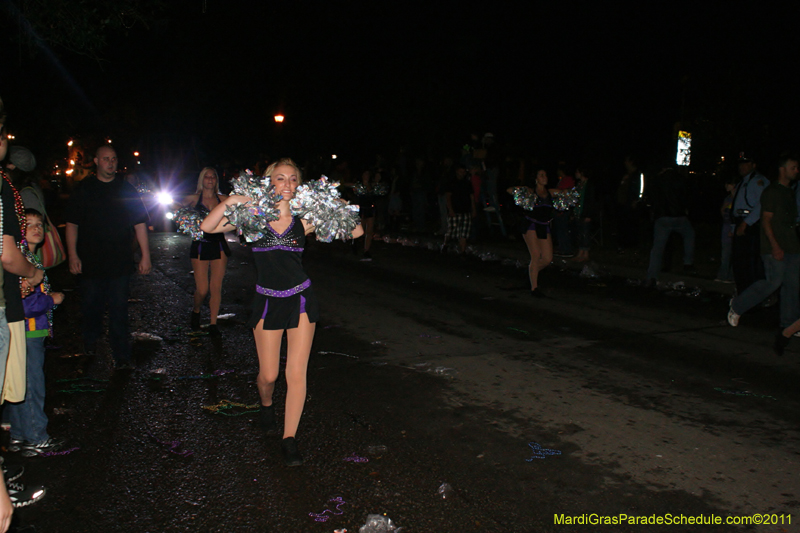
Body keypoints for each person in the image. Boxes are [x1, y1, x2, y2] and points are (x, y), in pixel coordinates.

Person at [200, 158, 363, 466]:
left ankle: (289, 439)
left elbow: (356, 232)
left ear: (299, 185)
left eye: (293, 179)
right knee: (269, 375)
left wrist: (333, 201)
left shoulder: (306, 220)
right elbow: (208, 227)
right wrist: (234, 200)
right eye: (280, 178)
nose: (287, 183)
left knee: (296, 373)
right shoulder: (253, 217)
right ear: (268, 182)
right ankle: (266, 404)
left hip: (301, 299)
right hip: (267, 301)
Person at [0, 95, 46, 523]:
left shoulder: (11, 189)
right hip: (10, 310)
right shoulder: (4, 191)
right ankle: (32, 437)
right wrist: (34, 274)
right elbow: (9, 257)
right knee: (24, 380)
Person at [66, 145, 151, 370]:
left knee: (119, 310)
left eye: (113, 159)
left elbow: (140, 223)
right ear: (96, 161)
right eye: (106, 159)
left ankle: (121, 355)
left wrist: (145, 255)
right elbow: (72, 224)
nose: (111, 163)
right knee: (91, 307)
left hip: (119, 262)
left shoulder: (126, 189)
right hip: (91, 262)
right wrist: (73, 255)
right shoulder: (84, 189)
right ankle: (90, 343)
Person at [5, 209, 66, 456]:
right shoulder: (23, 261)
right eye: (29, 224)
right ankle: (36, 437)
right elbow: (24, 303)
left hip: (29, 331)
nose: (36, 228)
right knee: (31, 384)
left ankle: (19, 435)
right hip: (28, 331)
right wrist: (52, 300)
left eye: (39, 224)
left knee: (20, 384)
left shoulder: (29, 257)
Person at [728, 155, 800, 330]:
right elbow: (766, 220)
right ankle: (738, 305)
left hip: (791, 245)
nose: (796, 171)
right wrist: (774, 246)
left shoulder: (790, 191)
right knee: (772, 281)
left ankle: (789, 324)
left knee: (792, 286)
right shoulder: (772, 191)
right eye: (793, 168)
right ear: (782, 169)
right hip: (774, 244)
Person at [179, 167, 230, 335]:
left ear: (216, 180)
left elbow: (241, 207)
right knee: (202, 289)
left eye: (213, 177)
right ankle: (196, 310)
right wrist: (185, 219)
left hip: (219, 244)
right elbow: (175, 208)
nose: (210, 179)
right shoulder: (193, 199)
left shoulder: (223, 199)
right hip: (200, 244)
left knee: (216, 287)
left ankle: (213, 323)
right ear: (202, 180)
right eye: (206, 177)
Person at [643, 166, 696, 285]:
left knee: (657, 247)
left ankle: (652, 275)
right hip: (679, 215)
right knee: (689, 235)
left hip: (662, 216)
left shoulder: (657, 180)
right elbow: (687, 195)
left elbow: (651, 197)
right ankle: (688, 262)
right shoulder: (680, 178)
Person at [508, 169, 553, 297]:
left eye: (545, 175)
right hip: (531, 224)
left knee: (547, 258)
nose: (545, 177)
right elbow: (509, 190)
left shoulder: (550, 192)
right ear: (536, 179)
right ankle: (534, 288)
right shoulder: (531, 192)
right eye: (541, 175)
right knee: (536, 255)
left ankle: (531, 273)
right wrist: (523, 189)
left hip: (543, 226)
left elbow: (566, 194)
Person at [731, 153, 769, 294]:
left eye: (746, 164)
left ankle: (752, 294)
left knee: (750, 262)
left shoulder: (758, 181)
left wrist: (746, 223)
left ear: (753, 165)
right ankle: (743, 293)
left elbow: (762, 204)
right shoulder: (743, 182)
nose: (742, 167)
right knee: (740, 261)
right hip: (741, 222)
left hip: (751, 224)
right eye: (740, 164)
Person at [443, 164, 476, 254]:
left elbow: (471, 197)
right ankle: (445, 244)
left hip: (465, 211)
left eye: (464, 172)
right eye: (461, 171)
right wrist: (450, 210)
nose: (462, 173)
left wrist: (473, 209)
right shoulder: (451, 182)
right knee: (451, 231)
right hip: (455, 210)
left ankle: (462, 251)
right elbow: (448, 197)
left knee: (464, 233)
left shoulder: (467, 183)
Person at [572, 167, 600, 263]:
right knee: (580, 233)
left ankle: (586, 254)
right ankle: (580, 253)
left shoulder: (589, 185)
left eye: (577, 171)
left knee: (585, 233)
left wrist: (589, 214)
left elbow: (591, 200)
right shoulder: (579, 184)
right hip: (578, 212)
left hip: (585, 213)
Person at [716, 177, 737, 282]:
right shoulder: (728, 198)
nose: (726, 186)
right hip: (726, 226)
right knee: (725, 253)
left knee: (734, 253)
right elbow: (723, 210)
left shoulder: (739, 198)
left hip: (734, 227)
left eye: (728, 184)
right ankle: (722, 275)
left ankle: (732, 277)